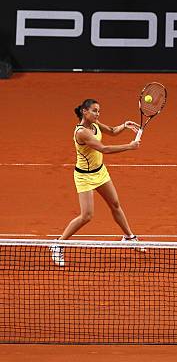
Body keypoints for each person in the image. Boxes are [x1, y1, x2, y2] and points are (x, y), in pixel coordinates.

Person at [50, 99, 142, 266]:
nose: (97, 114)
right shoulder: (82, 132)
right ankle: (58, 244)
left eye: (98, 111)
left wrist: (124, 125)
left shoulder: (95, 124)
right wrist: (129, 146)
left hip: (100, 172)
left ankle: (129, 237)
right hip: (84, 176)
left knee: (115, 204)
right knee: (87, 216)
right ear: (84, 112)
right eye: (94, 111)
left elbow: (113, 131)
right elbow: (103, 149)